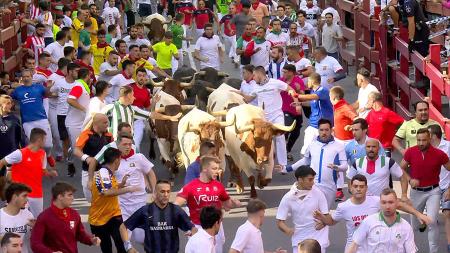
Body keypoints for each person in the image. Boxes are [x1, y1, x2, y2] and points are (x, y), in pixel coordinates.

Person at [314, 174, 430, 253]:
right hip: (353, 247)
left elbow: (398, 204)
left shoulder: (376, 201)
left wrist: (418, 214)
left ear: (366, 188)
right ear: (350, 188)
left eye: (361, 186)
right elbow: (332, 221)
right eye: (355, 186)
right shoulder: (343, 207)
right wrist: (323, 221)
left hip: (372, 247)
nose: (358, 189)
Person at [235, 66, 297, 171]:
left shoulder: (275, 83)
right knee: (262, 140)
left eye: (254, 75)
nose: (253, 78)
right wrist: (238, 94)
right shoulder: (255, 87)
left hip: (277, 116)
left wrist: (296, 102)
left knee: (280, 138)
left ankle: (283, 166)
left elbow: (290, 89)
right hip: (263, 118)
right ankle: (262, 161)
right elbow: (249, 99)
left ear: (259, 74)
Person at [175, 156, 242, 253]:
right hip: (198, 228)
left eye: (218, 168)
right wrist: (188, 226)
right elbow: (175, 207)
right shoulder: (190, 187)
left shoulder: (218, 185)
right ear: (205, 169)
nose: (218, 171)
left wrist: (234, 203)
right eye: (214, 168)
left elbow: (227, 204)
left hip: (216, 227)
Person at [400, 128, 450, 253]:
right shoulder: (410, 152)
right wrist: (410, 180)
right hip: (416, 192)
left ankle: (433, 251)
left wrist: (449, 188)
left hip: (433, 191)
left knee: (432, 222)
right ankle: (412, 248)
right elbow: (401, 168)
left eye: (424, 140)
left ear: (430, 139)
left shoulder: (440, 154)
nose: (421, 143)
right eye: (418, 140)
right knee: (415, 226)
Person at [123, 180, 196, 253]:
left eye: (168, 191)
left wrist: (193, 233)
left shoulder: (176, 210)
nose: (166, 195)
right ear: (155, 193)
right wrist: (128, 247)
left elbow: (193, 228)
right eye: (162, 191)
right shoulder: (145, 210)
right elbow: (123, 227)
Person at [287, 118, 347, 206]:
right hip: (312, 185)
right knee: (311, 212)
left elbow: (345, 166)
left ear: (331, 130)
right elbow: (305, 160)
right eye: (321, 130)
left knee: (324, 214)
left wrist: (337, 168)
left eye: (327, 130)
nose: (324, 132)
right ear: (318, 131)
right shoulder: (312, 145)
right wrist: (287, 168)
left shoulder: (339, 147)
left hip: (329, 187)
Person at [89, 147, 138, 253]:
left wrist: (121, 184)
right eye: (120, 160)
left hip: (114, 215)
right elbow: (106, 192)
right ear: (116, 160)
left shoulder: (108, 173)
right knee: (107, 249)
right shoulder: (103, 173)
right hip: (99, 219)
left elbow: (110, 188)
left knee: (122, 245)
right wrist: (128, 189)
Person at [0, 128, 57, 217]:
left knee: (37, 221)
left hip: (37, 194)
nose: (46, 142)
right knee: (19, 220)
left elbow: (42, 170)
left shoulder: (43, 154)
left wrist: (49, 173)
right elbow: (2, 162)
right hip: (20, 194)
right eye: (44, 139)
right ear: (39, 140)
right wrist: (9, 172)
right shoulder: (19, 154)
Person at [30, 182, 101, 253]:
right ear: (60, 196)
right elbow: (35, 243)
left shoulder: (74, 214)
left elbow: (80, 234)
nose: (73, 198)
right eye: (69, 195)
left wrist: (91, 240)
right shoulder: (44, 217)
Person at [114, 133, 157, 243]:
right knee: (124, 240)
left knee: (142, 238)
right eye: (125, 144)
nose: (128, 146)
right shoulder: (113, 160)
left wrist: (154, 191)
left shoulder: (139, 157)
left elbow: (150, 173)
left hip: (139, 204)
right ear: (117, 144)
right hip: (121, 205)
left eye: (130, 144)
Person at [276, 166, 330, 253]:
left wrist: (323, 223)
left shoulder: (318, 193)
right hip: (299, 239)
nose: (312, 183)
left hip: (318, 237)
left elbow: (327, 217)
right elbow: (280, 221)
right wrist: (288, 230)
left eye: (313, 179)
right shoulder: (288, 197)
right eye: (310, 180)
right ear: (300, 179)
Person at [346, 188, 418, 253]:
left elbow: (411, 251)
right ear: (380, 203)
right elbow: (354, 245)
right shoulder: (368, 222)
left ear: (396, 203)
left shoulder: (406, 227)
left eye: (390, 202)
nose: (387, 206)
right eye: (384, 202)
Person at [101, 86, 180, 140]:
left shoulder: (133, 109)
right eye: (133, 95)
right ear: (128, 95)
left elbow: (151, 115)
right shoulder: (109, 108)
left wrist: (169, 117)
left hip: (130, 145)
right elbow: (95, 120)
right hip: (114, 146)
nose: (134, 98)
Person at [11, 68, 54, 164]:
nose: (26, 78)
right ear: (21, 78)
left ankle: (49, 155)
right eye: (24, 77)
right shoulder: (18, 90)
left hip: (41, 118)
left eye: (28, 76)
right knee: (34, 145)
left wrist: (49, 88)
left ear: (32, 77)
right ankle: (38, 165)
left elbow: (48, 94)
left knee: (48, 144)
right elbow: (11, 99)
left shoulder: (39, 87)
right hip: (27, 122)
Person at [73, 113, 113, 201]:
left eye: (107, 122)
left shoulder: (109, 136)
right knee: (90, 199)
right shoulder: (86, 134)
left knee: (104, 199)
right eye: (105, 123)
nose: (108, 124)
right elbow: (76, 150)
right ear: (96, 124)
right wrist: (86, 158)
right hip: (88, 172)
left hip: (104, 172)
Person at [292, 72, 334, 155]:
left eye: (308, 81)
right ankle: (306, 166)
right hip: (314, 124)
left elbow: (313, 97)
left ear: (312, 81)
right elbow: (312, 102)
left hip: (324, 126)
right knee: (306, 150)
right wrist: (300, 104)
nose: (307, 83)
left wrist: (296, 95)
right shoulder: (313, 91)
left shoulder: (323, 91)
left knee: (326, 150)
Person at [65, 68, 92, 177]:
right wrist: (84, 109)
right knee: (76, 147)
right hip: (73, 123)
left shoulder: (85, 87)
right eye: (90, 76)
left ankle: (87, 167)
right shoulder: (78, 86)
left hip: (85, 121)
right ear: (87, 76)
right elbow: (70, 100)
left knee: (86, 144)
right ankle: (70, 161)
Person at [427, 124, 450, 252]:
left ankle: (449, 244)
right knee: (431, 219)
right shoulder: (426, 148)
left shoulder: (448, 147)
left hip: (446, 186)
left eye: (428, 134)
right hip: (431, 188)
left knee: (447, 214)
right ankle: (433, 246)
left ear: (434, 136)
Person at [366, 91, 404, 157]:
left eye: (368, 100)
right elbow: (364, 124)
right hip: (372, 147)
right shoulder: (371, 113)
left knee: (385, 166)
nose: (367, 102)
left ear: (373, 101)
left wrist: (398, 136)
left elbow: (404, 122)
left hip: (385, 148)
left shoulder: (387, 113)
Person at [280, 64, 304, 161]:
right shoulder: (280, 81)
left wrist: (298, 90)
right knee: (287, 128)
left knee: (296, 132)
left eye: (285, 72)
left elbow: (303, 95)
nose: (283, 74)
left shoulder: (298, 81)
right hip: (285, 109)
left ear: (291, 72)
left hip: (297, 110)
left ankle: (287, 149)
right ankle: (283, 148)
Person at [0, 183, 34, 253]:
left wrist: (36, 227)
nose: (27, 199)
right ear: (14, 197)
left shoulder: (28, 214)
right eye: (24, 196)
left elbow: (36, 239)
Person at [0, 95, 27, 166]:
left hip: (11, 154)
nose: (11, 105)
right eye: (8, 103)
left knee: (10, 176)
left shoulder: (15, 119)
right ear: (1, 105)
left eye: (11, 103)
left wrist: (26, 152)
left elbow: (21, 137)